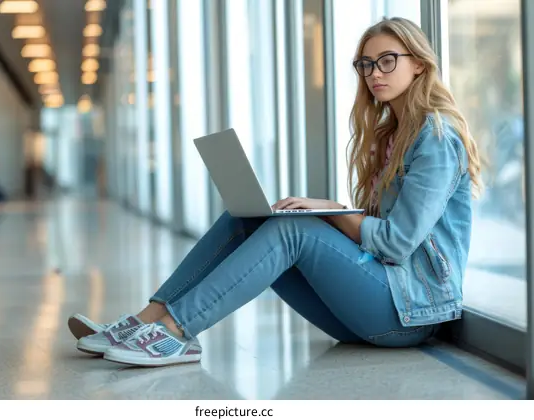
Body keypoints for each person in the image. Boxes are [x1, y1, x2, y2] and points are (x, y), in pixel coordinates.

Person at [67, 17, 483, 367]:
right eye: (366, 64)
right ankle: (149, 318)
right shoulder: (390, 135)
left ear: (420, 66)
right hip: (376, 308)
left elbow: (396, 242)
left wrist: (331, 211)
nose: (375, 73)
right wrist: (327, 211)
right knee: (249, 219)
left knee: (293, 231)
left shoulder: (437, 136)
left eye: (388, 61)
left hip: (410, 314)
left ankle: (175, 332)